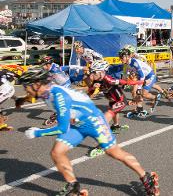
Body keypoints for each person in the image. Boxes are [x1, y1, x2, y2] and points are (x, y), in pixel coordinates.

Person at [20, 68, 160, 196]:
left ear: (37, 84)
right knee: (57, 152)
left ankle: (146, 177)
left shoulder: (58, 95)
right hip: (78, 124)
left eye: (26, 87)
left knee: (115, 153)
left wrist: (37, 132)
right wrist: (22, 99)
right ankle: (73, 186)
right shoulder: (45, 93)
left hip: (94, 121)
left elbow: (62, 128)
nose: (26, 90)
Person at [118, 48, 168, 116]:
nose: (120, 58)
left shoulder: (134, 62)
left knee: (143, 94)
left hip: (149, 76)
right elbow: (125, 75)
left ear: (128, 56)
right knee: (133, 92)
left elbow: (142, 76)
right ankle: (139, 108)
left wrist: (139, 88)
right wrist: (120, 85)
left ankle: (155, 97)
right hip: (141, 77)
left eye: (122, 57)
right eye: (120, 57)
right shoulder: (126, 64)